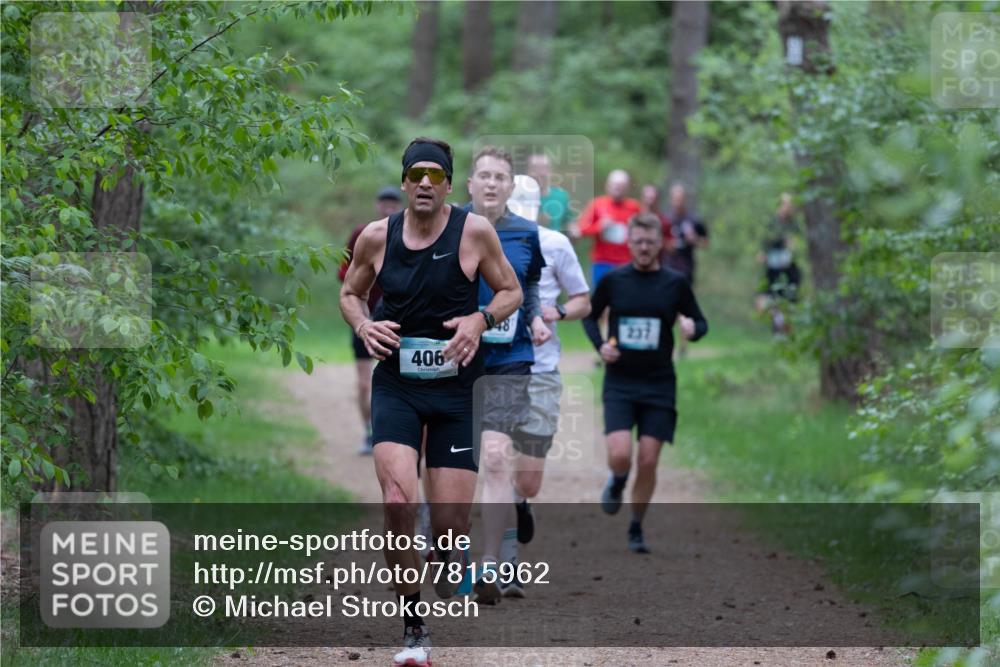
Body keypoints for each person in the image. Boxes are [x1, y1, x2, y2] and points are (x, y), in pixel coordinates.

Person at [339, 137, 522, 667]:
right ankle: (414, 629)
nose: (424, 182)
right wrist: (364, 324)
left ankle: (447, 555)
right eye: (416, 173)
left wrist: (479, 319)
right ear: (403, 182)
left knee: (448, 528)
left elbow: (510, 291)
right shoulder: (376, 237)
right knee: (398, 502)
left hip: (457, 392)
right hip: (397, 384)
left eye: (435, 175)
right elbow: (350, 294)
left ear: (447, 184)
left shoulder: (475, 232)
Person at [582, 213, 708, 554]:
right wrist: (600, 346)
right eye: (637, 241)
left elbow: (700, 320)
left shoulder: (675, 283)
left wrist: (693, 330)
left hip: (659, 383)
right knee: (621, 454)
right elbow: (590, 317)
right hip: (620, 381)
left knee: (649, 460)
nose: (643, 248)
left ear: (660, 245)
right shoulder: (615, 281)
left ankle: (636, 526)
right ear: (629, 243)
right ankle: (618, 480)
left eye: (650, 242)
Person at [464, 147, 550, 605]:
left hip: (509, 358)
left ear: (512, 187)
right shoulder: (448, 226)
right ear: (470, 184)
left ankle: (492, 565)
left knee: (496, 456)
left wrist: (534, 317)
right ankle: (438, 538)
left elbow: (528, 285)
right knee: (448, 465)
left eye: (501, 176)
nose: (492, 183)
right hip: (455, 357)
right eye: (484, 176)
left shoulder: (526, 234)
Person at [500, 174, 591, 598]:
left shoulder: (554, 244)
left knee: (529, 479)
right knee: (493, 463)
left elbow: (582, 300)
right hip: (494, 367)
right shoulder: (481, 238)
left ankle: (522, 504)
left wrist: (555, 313)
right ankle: (503, 564)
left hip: (541, 370)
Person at [338, 187, 404, 454]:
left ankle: (396, 434)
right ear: (377, 206)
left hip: (396, 320)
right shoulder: (363, 234)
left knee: (395, 381)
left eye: (393, 204)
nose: (388, 208)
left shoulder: (407, 236)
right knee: (365, 383)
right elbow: (344, 273)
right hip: (365, 319)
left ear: (398, 206)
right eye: (384, 203)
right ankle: (368, 431)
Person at [577, 170, 641, 287]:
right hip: (602, 262)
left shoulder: (634, 207)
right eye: (615, 185)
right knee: (601, 299)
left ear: (627, 188)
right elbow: (581, 229)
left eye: (622, 186)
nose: (618, 188)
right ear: (608, 185)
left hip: (626, 262)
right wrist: (599, 226)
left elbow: (643, 231)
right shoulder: (597, 204)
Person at [755, 193, 802, 337]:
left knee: (788, 304)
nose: (787, 208)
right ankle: (778, 325)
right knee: (763, 303)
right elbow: (764, 244)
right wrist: (762, 253)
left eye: (790, 205)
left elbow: (799, 244)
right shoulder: (771, 223)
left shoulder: (794, 225)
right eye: (785, 204)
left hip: (788, 270)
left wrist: (794, 245)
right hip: (772, 269)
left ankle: (785, 336)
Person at [663, 182, 709, 286]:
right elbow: (658, 241)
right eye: (675, 199)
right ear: (671, 199)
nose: (678, 202)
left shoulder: (694, 220)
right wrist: (667, 245)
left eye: (680, 199)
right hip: (667, 266)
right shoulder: (665, 219)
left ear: (685, 199)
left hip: (686, 267)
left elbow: (705, 243)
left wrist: (694, 239)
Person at [526, 152, 573, 235]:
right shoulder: (518, 196)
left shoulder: (561, 196)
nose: (542, 173)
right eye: (536, 168)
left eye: (545, 168)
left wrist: (574, 231)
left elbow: (571, 224)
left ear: (551, 171)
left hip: (555, 245)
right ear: (528, 172)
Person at [638, 183, 674, 261]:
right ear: (642, 198)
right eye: (647, 197)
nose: (650, 201)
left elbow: (671, 248)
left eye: (652, 198)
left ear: (657, 199)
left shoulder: (664, 221)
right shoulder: (633, 217)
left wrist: (658, 239)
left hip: (655, 264)